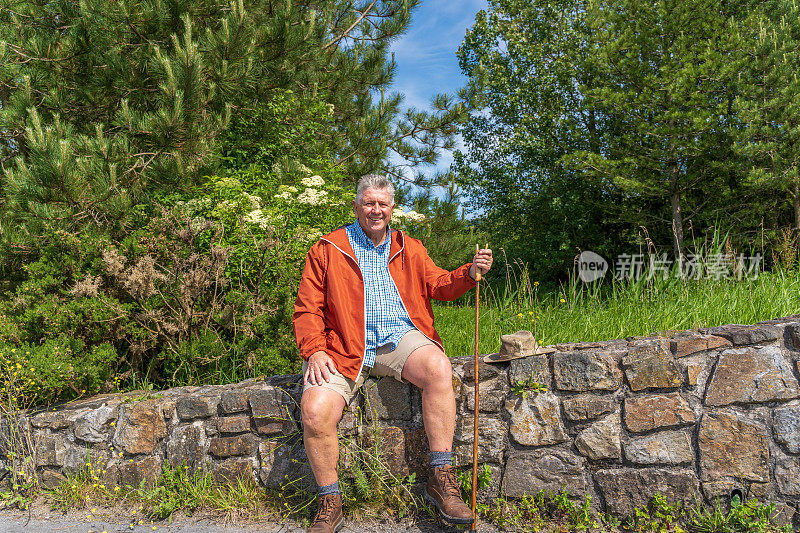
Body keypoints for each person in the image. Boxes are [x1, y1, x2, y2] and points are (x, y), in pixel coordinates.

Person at [293, 174, 493, 533]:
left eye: (382, 204)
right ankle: (329, 502)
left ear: (392, 208)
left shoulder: (410, 246)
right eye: (369, 203)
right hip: (343, 348)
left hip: (398, 339)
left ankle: (441, 478)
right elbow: (308, 308)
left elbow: (440, 284)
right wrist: (315, 351)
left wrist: (470, 273)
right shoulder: (328, 248)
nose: (375, 210)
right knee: (314, 409)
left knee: (436, 365)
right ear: (355, 206)